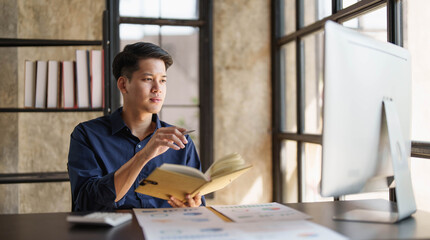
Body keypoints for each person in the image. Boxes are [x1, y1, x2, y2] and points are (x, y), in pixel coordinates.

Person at [67, 42, 204, 211]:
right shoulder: (87, 135)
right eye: (148, 79)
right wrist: (144, 155)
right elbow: (86, 204)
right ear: (123, 85)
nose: (158, 89)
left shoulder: (181, 142)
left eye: (162, 80)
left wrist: (193, 206)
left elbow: (198, 205)